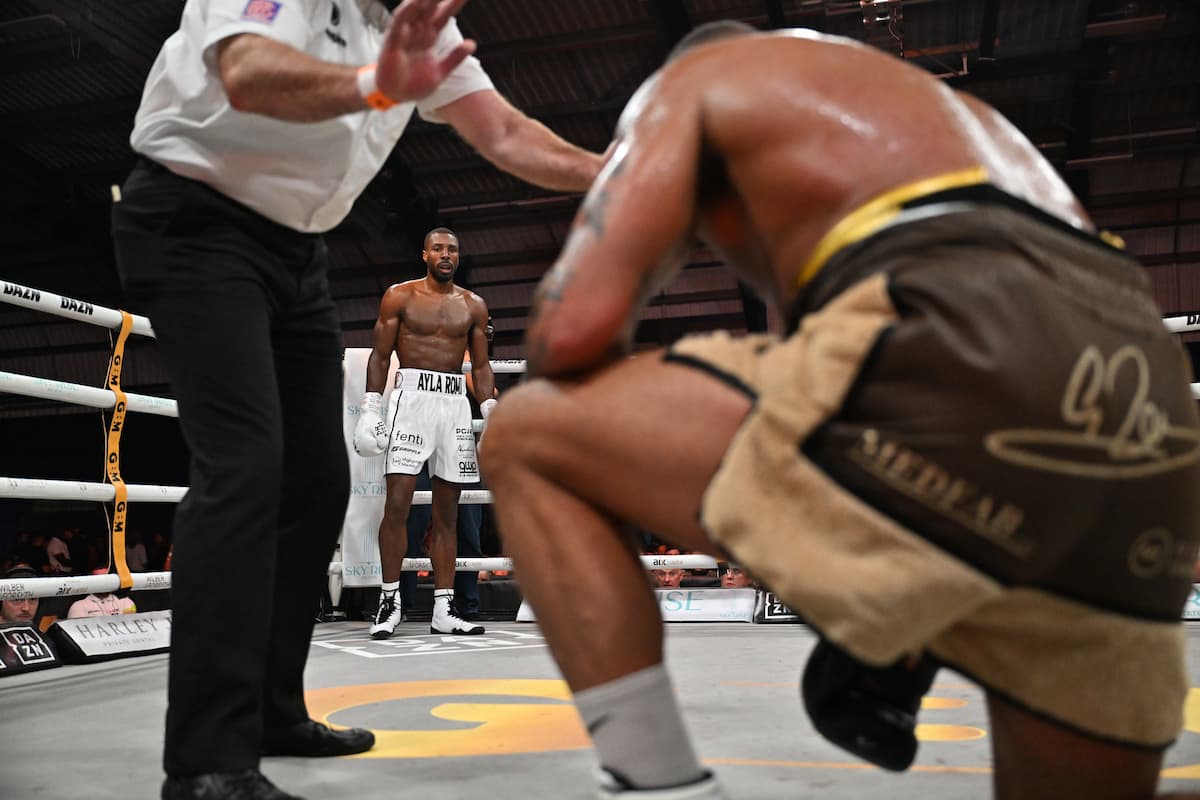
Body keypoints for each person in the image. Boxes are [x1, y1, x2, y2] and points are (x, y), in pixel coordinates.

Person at [480, 20, 1200, 800]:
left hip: (959, 344)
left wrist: (642, 205)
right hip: (1148, 416)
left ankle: (662, 785)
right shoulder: (953, 125)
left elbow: (572, 334)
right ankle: (905, 632)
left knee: (528, 432)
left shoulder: (692, 82)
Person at [109, 0, 604, 796]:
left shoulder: (424, 22)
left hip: (296, 250)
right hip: (194, 220)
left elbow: (506, 133)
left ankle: (272, 712)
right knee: (244, 469)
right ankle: (205, 761)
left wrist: (614, 171)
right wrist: (379, 83)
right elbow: (246, 71)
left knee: (316, 486)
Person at [355, 227, 493, 637]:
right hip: (411, 401)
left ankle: (444, 609)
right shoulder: (400, 296)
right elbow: (380, 355)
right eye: (438, 249)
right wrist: (370, 407)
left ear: (458, 256)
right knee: (398, 503)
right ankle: (389, 601)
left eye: (452, 249)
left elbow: (480, 365)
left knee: (448, 512)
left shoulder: (473, 305)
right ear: (425, 255)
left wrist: (490, 410)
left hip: (454, 404)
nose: (446, 255)